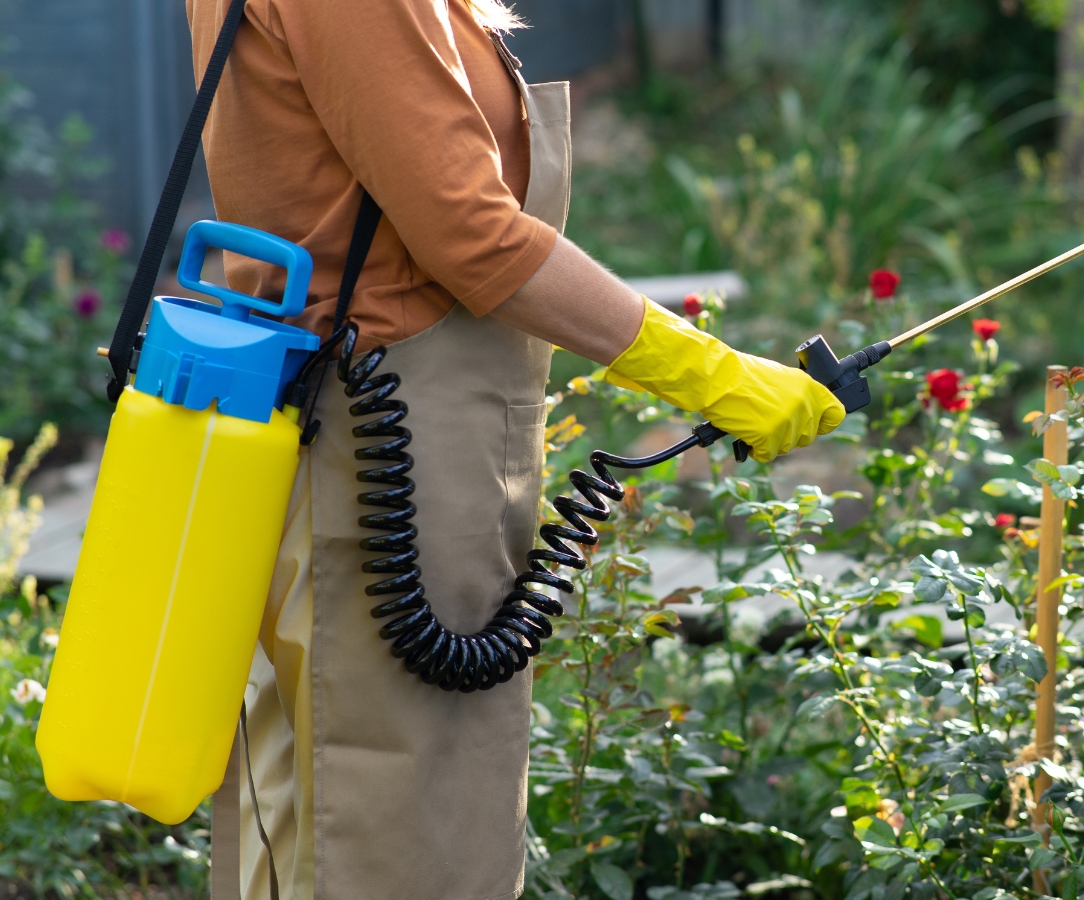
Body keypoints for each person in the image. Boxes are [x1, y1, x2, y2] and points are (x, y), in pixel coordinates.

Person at [182, 1, 845, 897]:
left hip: (373, 422)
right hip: (388, 434)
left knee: (328, 808)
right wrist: (713, 372)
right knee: (394, 825)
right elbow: (471, 234)